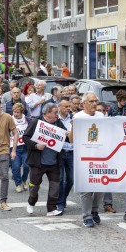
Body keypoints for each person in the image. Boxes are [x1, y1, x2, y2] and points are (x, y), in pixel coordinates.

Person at [23, 103, 70, 216]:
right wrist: (35, 145)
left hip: (54, 162)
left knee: (55, 186)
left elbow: (67, 138)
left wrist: (69, 134)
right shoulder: (36, 122)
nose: (57, 115)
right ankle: (31, 202)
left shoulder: (58, 123)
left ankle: (51, 209)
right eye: (55, 113)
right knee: (34, 187)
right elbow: (25, 137)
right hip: (38, 162)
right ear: (47, 113)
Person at [74, 92, 105, 227]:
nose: (94, 104)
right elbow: (71, 139)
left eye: (95, 101)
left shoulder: (101, 116)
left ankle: (94, 210)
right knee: (86, 188)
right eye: (91, 101)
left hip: (100, 156)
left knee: (100, 186)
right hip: (84, 157)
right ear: (84, 103)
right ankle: (86, 216)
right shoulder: (78, 117)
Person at [11, 103, 30, 193]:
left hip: (25, 147)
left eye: (18, 112)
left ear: (22, 112)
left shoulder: (28, 120)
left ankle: (24, 180)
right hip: (14, 147)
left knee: (26, 166)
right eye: (14, 112)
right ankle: (18, 184)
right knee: (16, 167)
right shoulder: (10, 120)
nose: (16, 114)